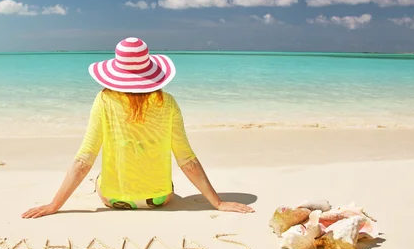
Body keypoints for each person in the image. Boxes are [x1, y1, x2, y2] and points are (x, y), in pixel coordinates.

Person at [22, 37, 254, 219]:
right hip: (159, 198)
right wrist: (218, 202)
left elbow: (84, 160)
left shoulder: (104, 101)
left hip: (113, 200)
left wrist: (55, 205)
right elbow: (187, 160)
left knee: (99, 178)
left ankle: (119, 190)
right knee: (162, 179)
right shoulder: (168, 102)